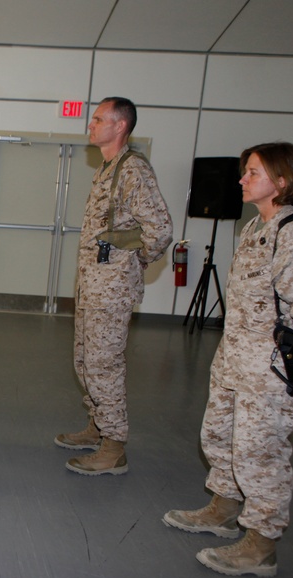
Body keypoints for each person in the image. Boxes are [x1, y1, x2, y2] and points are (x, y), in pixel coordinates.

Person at [163, 143, 293, 577]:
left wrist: (282, 336)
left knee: (260, 455)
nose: (242, 179)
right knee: (221, 438)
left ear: (282, 181)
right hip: (234, 361)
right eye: (245, 172)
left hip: (268, 370)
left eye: (253, 172)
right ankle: (223, 509)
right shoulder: (255, 228)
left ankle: (261, 545)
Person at [55, 96, 173, 475]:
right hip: (93, 286)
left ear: (120, 126)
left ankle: (114, 446)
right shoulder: (108, 168)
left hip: (111, 289)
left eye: (99, 119)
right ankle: (98, 426)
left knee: (104, 364)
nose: (91, 125)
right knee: (86, 361)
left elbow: (160, 229)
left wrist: (134, 260)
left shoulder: (133, 169)